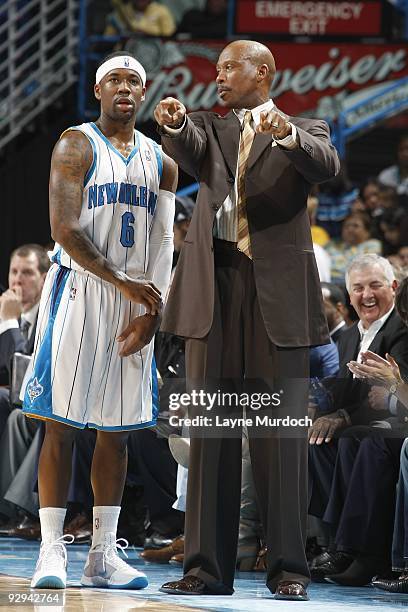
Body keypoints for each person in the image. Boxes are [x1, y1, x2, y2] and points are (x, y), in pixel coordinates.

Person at [154, 39, 340, 601]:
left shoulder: (308, 128)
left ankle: (288, 568)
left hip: (276, 300)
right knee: (210, 433)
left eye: (230, 67)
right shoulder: (210, 128)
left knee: (279, 438)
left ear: (263, 71)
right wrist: (174, 121)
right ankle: (206, 568)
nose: (219, 76)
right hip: (217, 291)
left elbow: (324, 165)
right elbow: (188, 148)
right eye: (216, 69)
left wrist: (284, 131)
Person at [22, 50, 177, 590]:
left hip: (136, 300)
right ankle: (51, 553)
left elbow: (163, 246)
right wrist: (124, 283)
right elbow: (64, 229)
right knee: (60, 426)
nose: (126, 88)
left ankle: (103, 556)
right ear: (98, 90)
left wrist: (153, 315)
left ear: (145, 91)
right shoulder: (76, 143)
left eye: (135, 80)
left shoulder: (162, 161)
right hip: (80, 289)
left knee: (119, 432)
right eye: (115, 79)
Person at [324, 212, 382, 284]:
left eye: (355, 226)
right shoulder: (331, 244)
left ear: (367, 232)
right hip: (328, 281)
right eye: (346, 226)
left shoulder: (372, 245)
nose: (350, 229)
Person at [105, 0, 176, 37]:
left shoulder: (161, 10)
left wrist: (147, 34)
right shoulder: (124, 11)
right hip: (126, 52)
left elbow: (169, 35)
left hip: (154, 52)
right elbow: (109, 36)